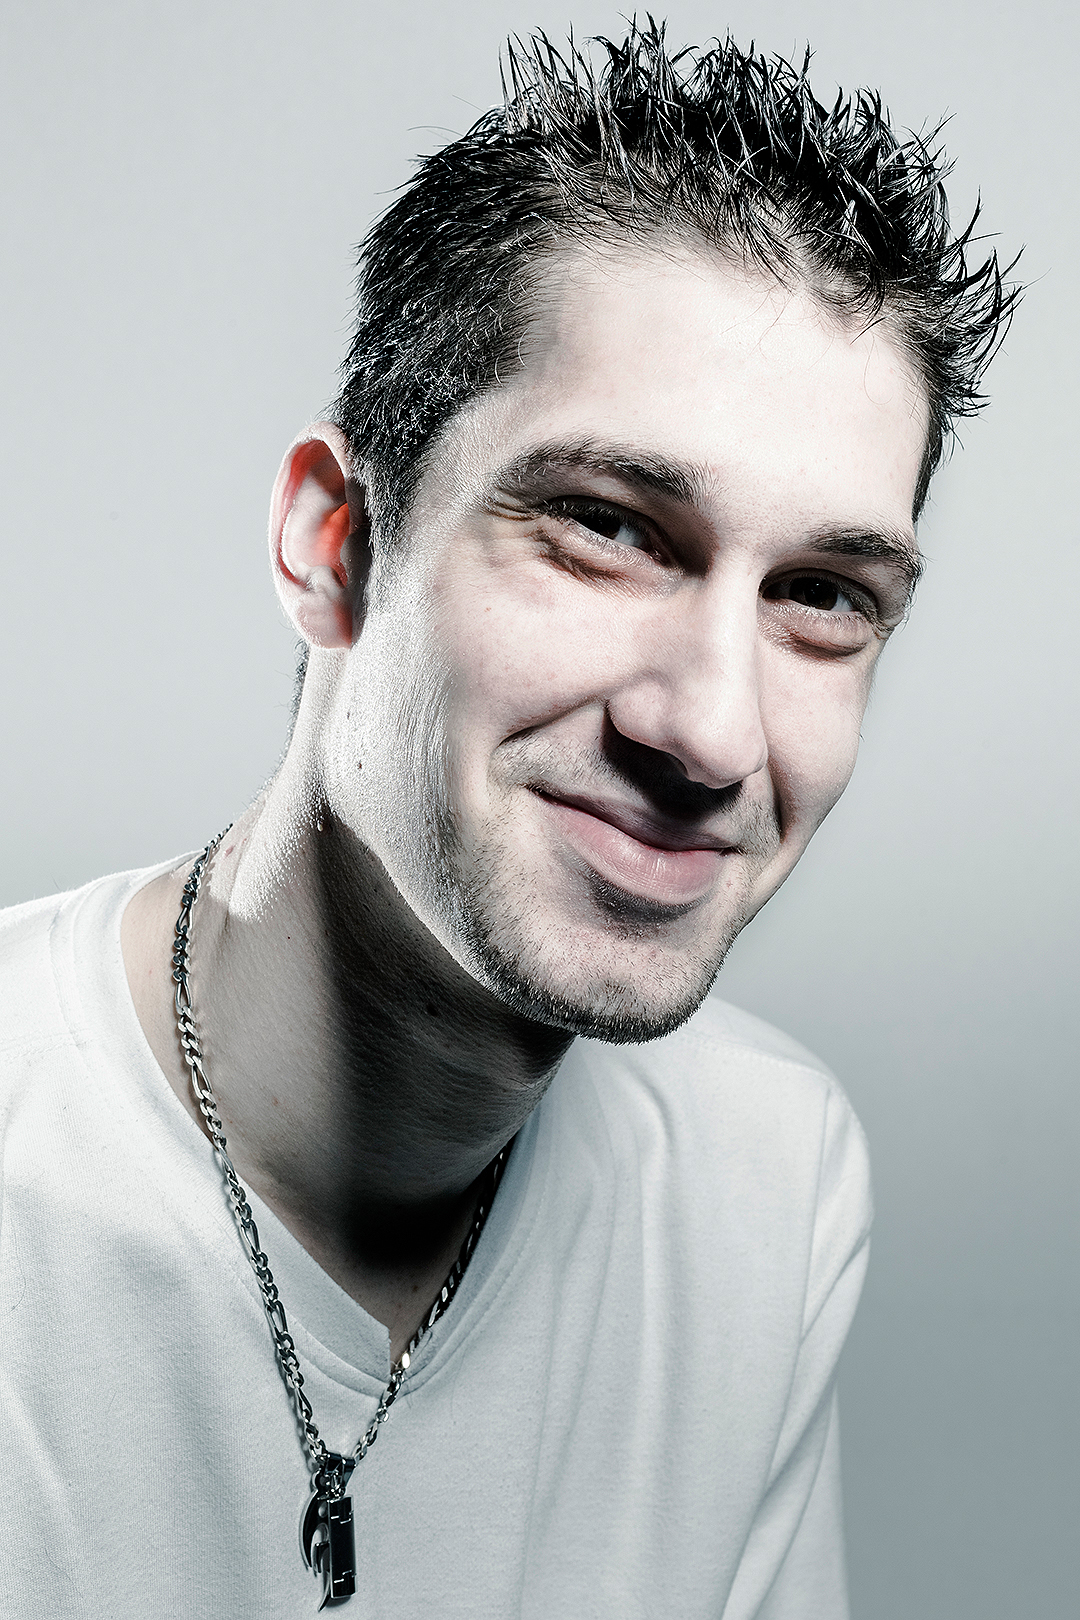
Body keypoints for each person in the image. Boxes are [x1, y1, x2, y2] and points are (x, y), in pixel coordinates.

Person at [0, 23, 1015, 1619]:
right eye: (608, 527)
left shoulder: (769, 1182)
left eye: (823, 595)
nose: (712, 731)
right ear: (335, 546)